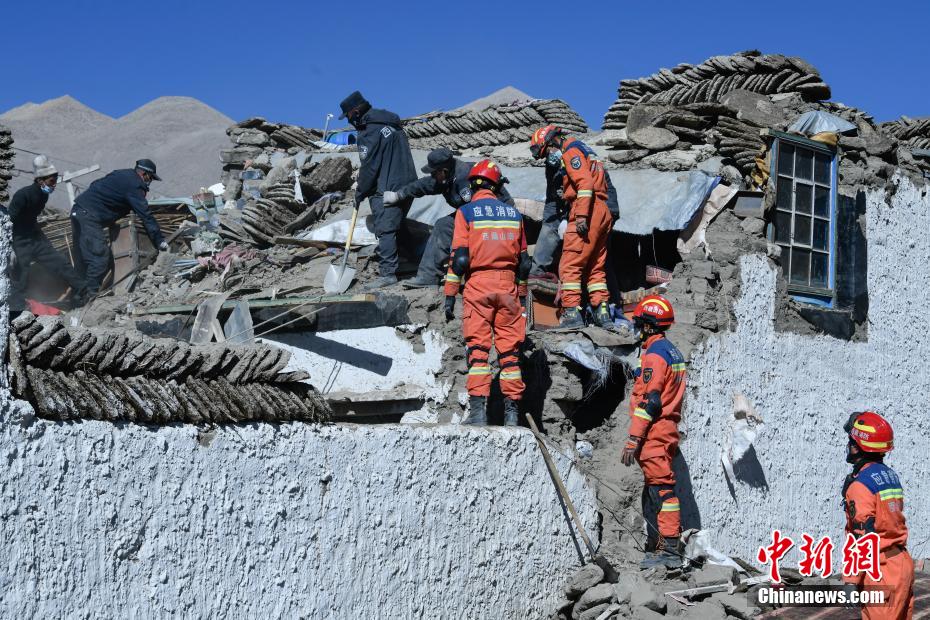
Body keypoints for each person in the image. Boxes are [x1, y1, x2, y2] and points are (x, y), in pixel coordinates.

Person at [443, 160, 530, 426]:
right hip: (508, 288)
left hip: (479, 285)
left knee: (479, 352)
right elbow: (524, 263)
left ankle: (479, 414)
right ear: (496, 185)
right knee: (510, 354)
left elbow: (459, 258)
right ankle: (512, 416)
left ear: (473, 184)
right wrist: (522, 296)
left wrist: (450, 294)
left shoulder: (466, 212)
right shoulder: (514, 214)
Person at [382, 147, 514, 288]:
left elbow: (480, 210)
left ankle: (476, 273)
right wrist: (399, 195)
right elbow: (425, 185)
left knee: (448, 227)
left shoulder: (465, 179)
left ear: (443, 171)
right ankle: (428, 276)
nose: (432, 177)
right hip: (472, 212)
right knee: (443, 225)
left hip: (495, 215)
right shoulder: (447, 176)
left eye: (433, 173)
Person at [620, 295, 686, 569]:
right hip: (666, 430)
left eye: (639, 324)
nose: (636, 328)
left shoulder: (656, 356)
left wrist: (634, 437)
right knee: (656, 490)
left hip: (655, 434)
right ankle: (662, 545)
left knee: (662, 492)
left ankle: (670, 551)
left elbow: (650, 400)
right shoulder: (670, 351)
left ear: (648, 325)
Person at [530, 125, 612, 328]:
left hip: (587, 210)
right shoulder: (586, 150)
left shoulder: (570, 152)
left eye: (547, 151)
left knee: (570, 264)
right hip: (602, 210)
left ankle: (571, 312)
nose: (549, 155)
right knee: (595, 267)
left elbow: (585, 185)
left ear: (551, 142)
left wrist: (581, 215)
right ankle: (602, 312)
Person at [339, 90, 417, 290]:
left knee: (385, 228)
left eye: (348, 116)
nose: (348, 121)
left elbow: (370, 167)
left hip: (388, 186)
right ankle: (414, 260)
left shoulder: (368, 131)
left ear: (356, 112)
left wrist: (360, 192)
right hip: (408, 182)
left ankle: (388, 274)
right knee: (397, 224)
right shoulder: (389, 122)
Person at [841, 411, 914, 619]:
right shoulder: (890, 476)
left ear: (860, 447)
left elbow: (861, 537)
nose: (849, 446)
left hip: (881, 573)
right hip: (902, 564)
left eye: (852, 441)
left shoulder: (860, 486)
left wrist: (851, 581)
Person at [70, 159, 168, 302]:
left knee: (83, 259)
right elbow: (145, 215)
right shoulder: (134, 184)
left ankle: (77, 297)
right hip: (88, 216)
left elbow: (96, 185)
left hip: (78, 211)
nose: (150, 181)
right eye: (150, 178)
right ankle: (88, 297)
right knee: (99, 257)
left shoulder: (121, 174)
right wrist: (159, 241)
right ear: (144, 174)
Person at [7, 155, 86, 310]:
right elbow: (9, 220)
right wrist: (10, 246)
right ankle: (16, 308)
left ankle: (83, 290)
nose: (54, 185)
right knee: (21, 275)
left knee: (59, 263)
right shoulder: (23, 195)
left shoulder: (43, 195)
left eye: (55, 181)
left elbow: (32, 219)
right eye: (51, 181)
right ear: (40, 180)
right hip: (19, 240)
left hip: (36, 239)